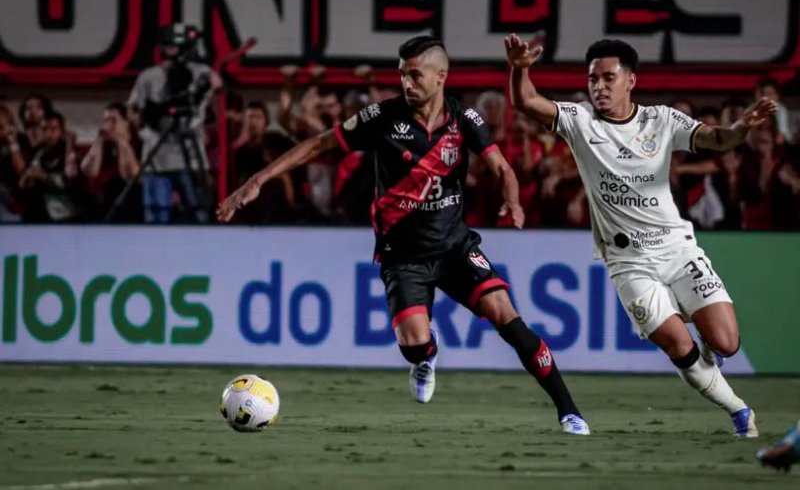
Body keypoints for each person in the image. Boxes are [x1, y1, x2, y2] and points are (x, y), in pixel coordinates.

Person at [218, 36, 590, 435]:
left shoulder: (465, 120)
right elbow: (318, 145)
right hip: (403, 254)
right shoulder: (382, 117)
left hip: (455, 246)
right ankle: (425, 357)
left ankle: (569, 411)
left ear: (440, 77)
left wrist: (512, 202)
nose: (406, 83)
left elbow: (501, 168)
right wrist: (258, 180)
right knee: (413, 343)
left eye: (415, 75)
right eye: (402, 75)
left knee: (510, 321)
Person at [505, 33, 778, 437]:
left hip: (677, 249)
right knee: (676, 344)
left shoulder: (662, 120)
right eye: (593, 78)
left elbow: (717, 139)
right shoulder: (580, 122)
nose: (599, 86)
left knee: (727, 342)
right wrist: (520, 67)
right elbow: (526, 102)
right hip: (628, 261)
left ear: (631, 80)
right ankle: (739, 410)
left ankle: (709, 344)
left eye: (609, 78)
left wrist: (740, 127)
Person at [127, 23, 221, 223]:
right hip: (156, 157)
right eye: (167, 45)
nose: (171, 50)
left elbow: (217, 89)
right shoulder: (149, 77)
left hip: (192, 156)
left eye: (175, 46)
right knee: (156, 214)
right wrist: (145, 131)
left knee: (198, 214)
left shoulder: (201, 73)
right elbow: (133, 111)